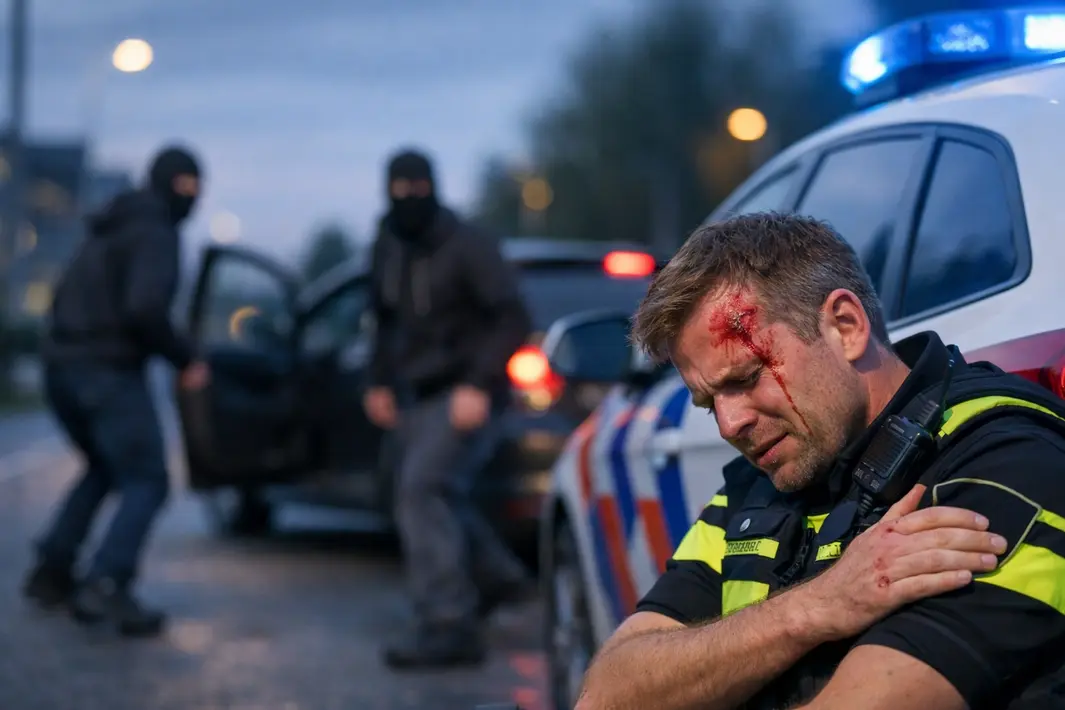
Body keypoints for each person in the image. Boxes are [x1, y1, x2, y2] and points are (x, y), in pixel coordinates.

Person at [576, 212, 1065, 709]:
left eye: (745, 378)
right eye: (709, 403)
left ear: (846, 326)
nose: (728, 425)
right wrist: (814, 607)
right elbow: (605, 694)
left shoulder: (1005, 461)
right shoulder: (755, 490)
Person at [22, 145, 209, 637]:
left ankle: (53, 570)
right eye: (187, 186)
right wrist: (185, 357)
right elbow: (144, 308)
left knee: (105, 466)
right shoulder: (155, 232)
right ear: (171, 185)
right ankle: (107, 584)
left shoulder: (112, 225)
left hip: (60, 367)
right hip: (105, 370)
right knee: (148, 478)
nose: (191, 197)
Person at [364, 148, 537, 669]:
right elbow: (382, 320)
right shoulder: (387, 245)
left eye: (417, 189)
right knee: (434, 493)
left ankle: (448, 624)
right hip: (414, 396)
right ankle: (498, 579)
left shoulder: (468, 244)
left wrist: (478, 384)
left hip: (464, 393)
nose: (408, 199)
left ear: (433, 188)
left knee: (420, 491)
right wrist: (377, 381)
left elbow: (512, 316)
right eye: (399, 190)